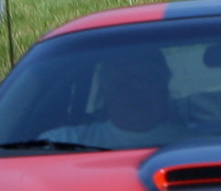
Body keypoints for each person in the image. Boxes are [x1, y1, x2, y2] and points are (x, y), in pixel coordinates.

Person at [43, 53, 188, 149]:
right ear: (105, 91)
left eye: (145, 82)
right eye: (121, 84)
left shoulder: (199, 145)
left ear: (163, 87)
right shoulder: (60, 142)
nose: (133, 93)